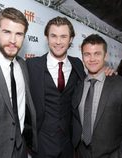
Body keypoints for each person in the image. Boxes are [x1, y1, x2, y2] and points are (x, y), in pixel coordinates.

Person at [0, 7, 37, 158]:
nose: (12, 40)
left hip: (21, 150)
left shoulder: (23, 66)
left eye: (19, 34)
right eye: (7, 32)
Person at [26, 16, 86, 158]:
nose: (58, 42)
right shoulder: (31, 65)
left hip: (68, 143)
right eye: (53, 36)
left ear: (71, 39)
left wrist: (105, 73)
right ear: (47, 37)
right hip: (41, 143)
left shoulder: (77, 64)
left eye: (63, 36)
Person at [76, 34, 122, 158]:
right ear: (82, 57)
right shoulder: (77, 85)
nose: (92, 59)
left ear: (106, 56)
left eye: (97, 53)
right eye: (87, 54)